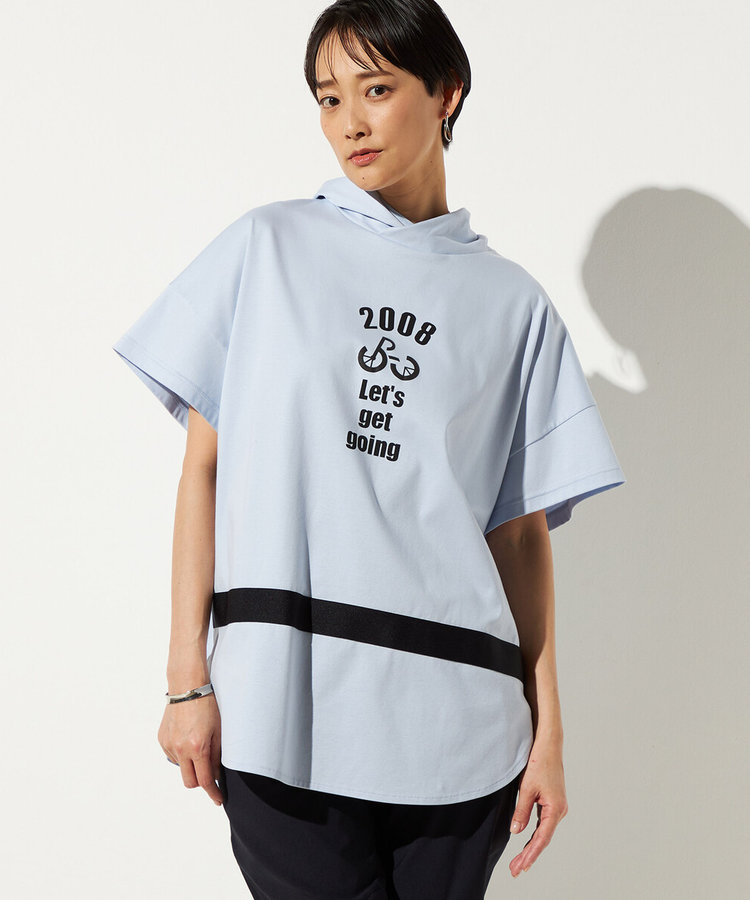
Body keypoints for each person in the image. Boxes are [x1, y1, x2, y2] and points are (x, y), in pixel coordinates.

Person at [111, 1, 626, 897]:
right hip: (283, 707)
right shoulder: (265, 249)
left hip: (461, 730)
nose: (349, 120)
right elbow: (203, 471)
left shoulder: (514, 306)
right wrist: (186, 679)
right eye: (328, 97)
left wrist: (549, 734)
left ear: (447, 93)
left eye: (377, 89)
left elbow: (518, 537)